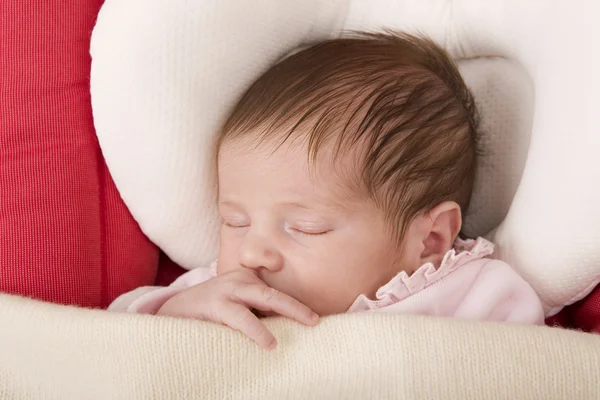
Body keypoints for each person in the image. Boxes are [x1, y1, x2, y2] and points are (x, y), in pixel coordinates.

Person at [109, 31, 544, 349]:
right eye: (234, 221)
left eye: (305, 227)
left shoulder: (475, 296)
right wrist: (179, 311)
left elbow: (534, 371)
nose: (253, 252)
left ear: (429, 239)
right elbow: (116, 335)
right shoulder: (223, 288)